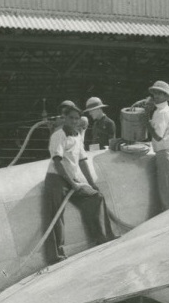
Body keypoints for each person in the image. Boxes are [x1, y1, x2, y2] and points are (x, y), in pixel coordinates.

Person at [44, 104, 116, 263]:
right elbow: (57, 162)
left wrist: (91, 183)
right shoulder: (58, 135)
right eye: (71, 118)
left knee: (95, 197)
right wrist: (72, 183)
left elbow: (83, 160)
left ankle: (102, 237)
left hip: (72, 180)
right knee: (56, 216)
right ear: (64, 118)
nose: (75, 121)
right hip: (56, 179)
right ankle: (57, 256)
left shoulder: (77, 136)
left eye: (77, 118)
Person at [145, 81, 169, 211]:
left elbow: (157, 136)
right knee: (167, 185)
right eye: (155, 93)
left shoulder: (161, 113)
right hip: (166, 151)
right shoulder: (162, 111)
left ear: (166, 97)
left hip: (164, 151)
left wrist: (145, 117)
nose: (156, 95)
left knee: (168, 186)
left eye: (160, 93)